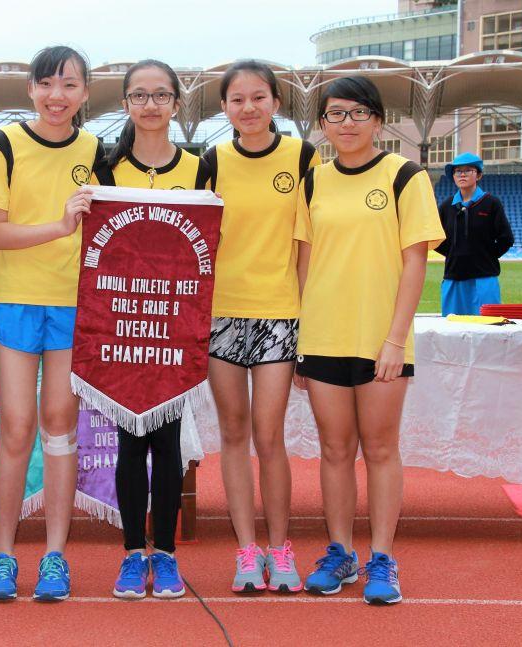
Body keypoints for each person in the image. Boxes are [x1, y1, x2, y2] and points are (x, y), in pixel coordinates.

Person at [295, 76, 444, 605]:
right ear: (323, 124)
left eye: (359, 113)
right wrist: (301, 338)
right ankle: (340, 552)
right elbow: (305, 262)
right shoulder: (314, 181)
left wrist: (395, 340)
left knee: (380, 448)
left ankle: (383, 557)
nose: (348, 123)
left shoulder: (405, 176)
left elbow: (415, 262)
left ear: (378, 121)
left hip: (382, 338)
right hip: (323, 335)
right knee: (334, 449)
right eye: (336, 114)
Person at [0, 45, 104, 602]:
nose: (58, 96)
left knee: (59, 425)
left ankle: (55, 555)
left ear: (84, 93)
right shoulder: (4, 144)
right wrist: (59, 226)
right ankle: (3, 554)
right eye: (47, 84)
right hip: (15, 298)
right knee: (17, 426)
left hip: (73, 302)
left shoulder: (95, 149)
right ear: (30, 88)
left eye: (70, 85)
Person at [92, 59, 210, 600]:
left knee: (167, 440)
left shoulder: (201, 168)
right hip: (121, 321)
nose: (150, 105)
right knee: (129, 439)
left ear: (177, 104)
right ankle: (129, 553)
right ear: (125, 104)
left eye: (161, 95)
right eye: (139, 95)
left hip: (175, 323)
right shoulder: (105, 169)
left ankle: (164, 553)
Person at [201, 60, 320, 594]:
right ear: (224, 107)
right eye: (237, 99)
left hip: (279, 314)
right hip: (222, 315)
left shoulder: (303, 157)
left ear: (276, 102)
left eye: (258, 97)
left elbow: (308, 244)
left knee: (269, 436)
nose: (248, 108)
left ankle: (280, 547)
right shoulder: (212, 161)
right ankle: (247, 551)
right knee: (233, 433)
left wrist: (305, 318)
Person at [435, 152, 513, 316]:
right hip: (453, 278)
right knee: (452, 328)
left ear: (478, 175)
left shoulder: (491, 203)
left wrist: (487, 256)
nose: (462, 174)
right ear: (453, 176)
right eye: (458, 171)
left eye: (468, 170)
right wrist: (453, 252)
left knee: (488, 326)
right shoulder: (447, 206)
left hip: (484, 279)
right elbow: (435, 236)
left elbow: (506, 238)